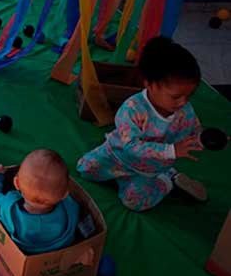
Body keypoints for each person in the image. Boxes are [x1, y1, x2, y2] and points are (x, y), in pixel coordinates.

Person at [77, 36, 207, 212]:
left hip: (150, 169)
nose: (183, 102)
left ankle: (167, 180)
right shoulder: (132, 109)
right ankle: (167, 174)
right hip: (117, 155)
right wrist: (171, 151)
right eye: (176, 96)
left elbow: (193, 128)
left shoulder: (185, 111)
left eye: (189, 95)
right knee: (84, 169)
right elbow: (130, 145)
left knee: (134, 202)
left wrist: (202, 137)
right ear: (149, 84)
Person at [0, 149, 79, 254]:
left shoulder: (10, 209)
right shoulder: (69, 209)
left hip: (22, 252)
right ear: (65, 194)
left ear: (16, 183)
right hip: (58, 251)